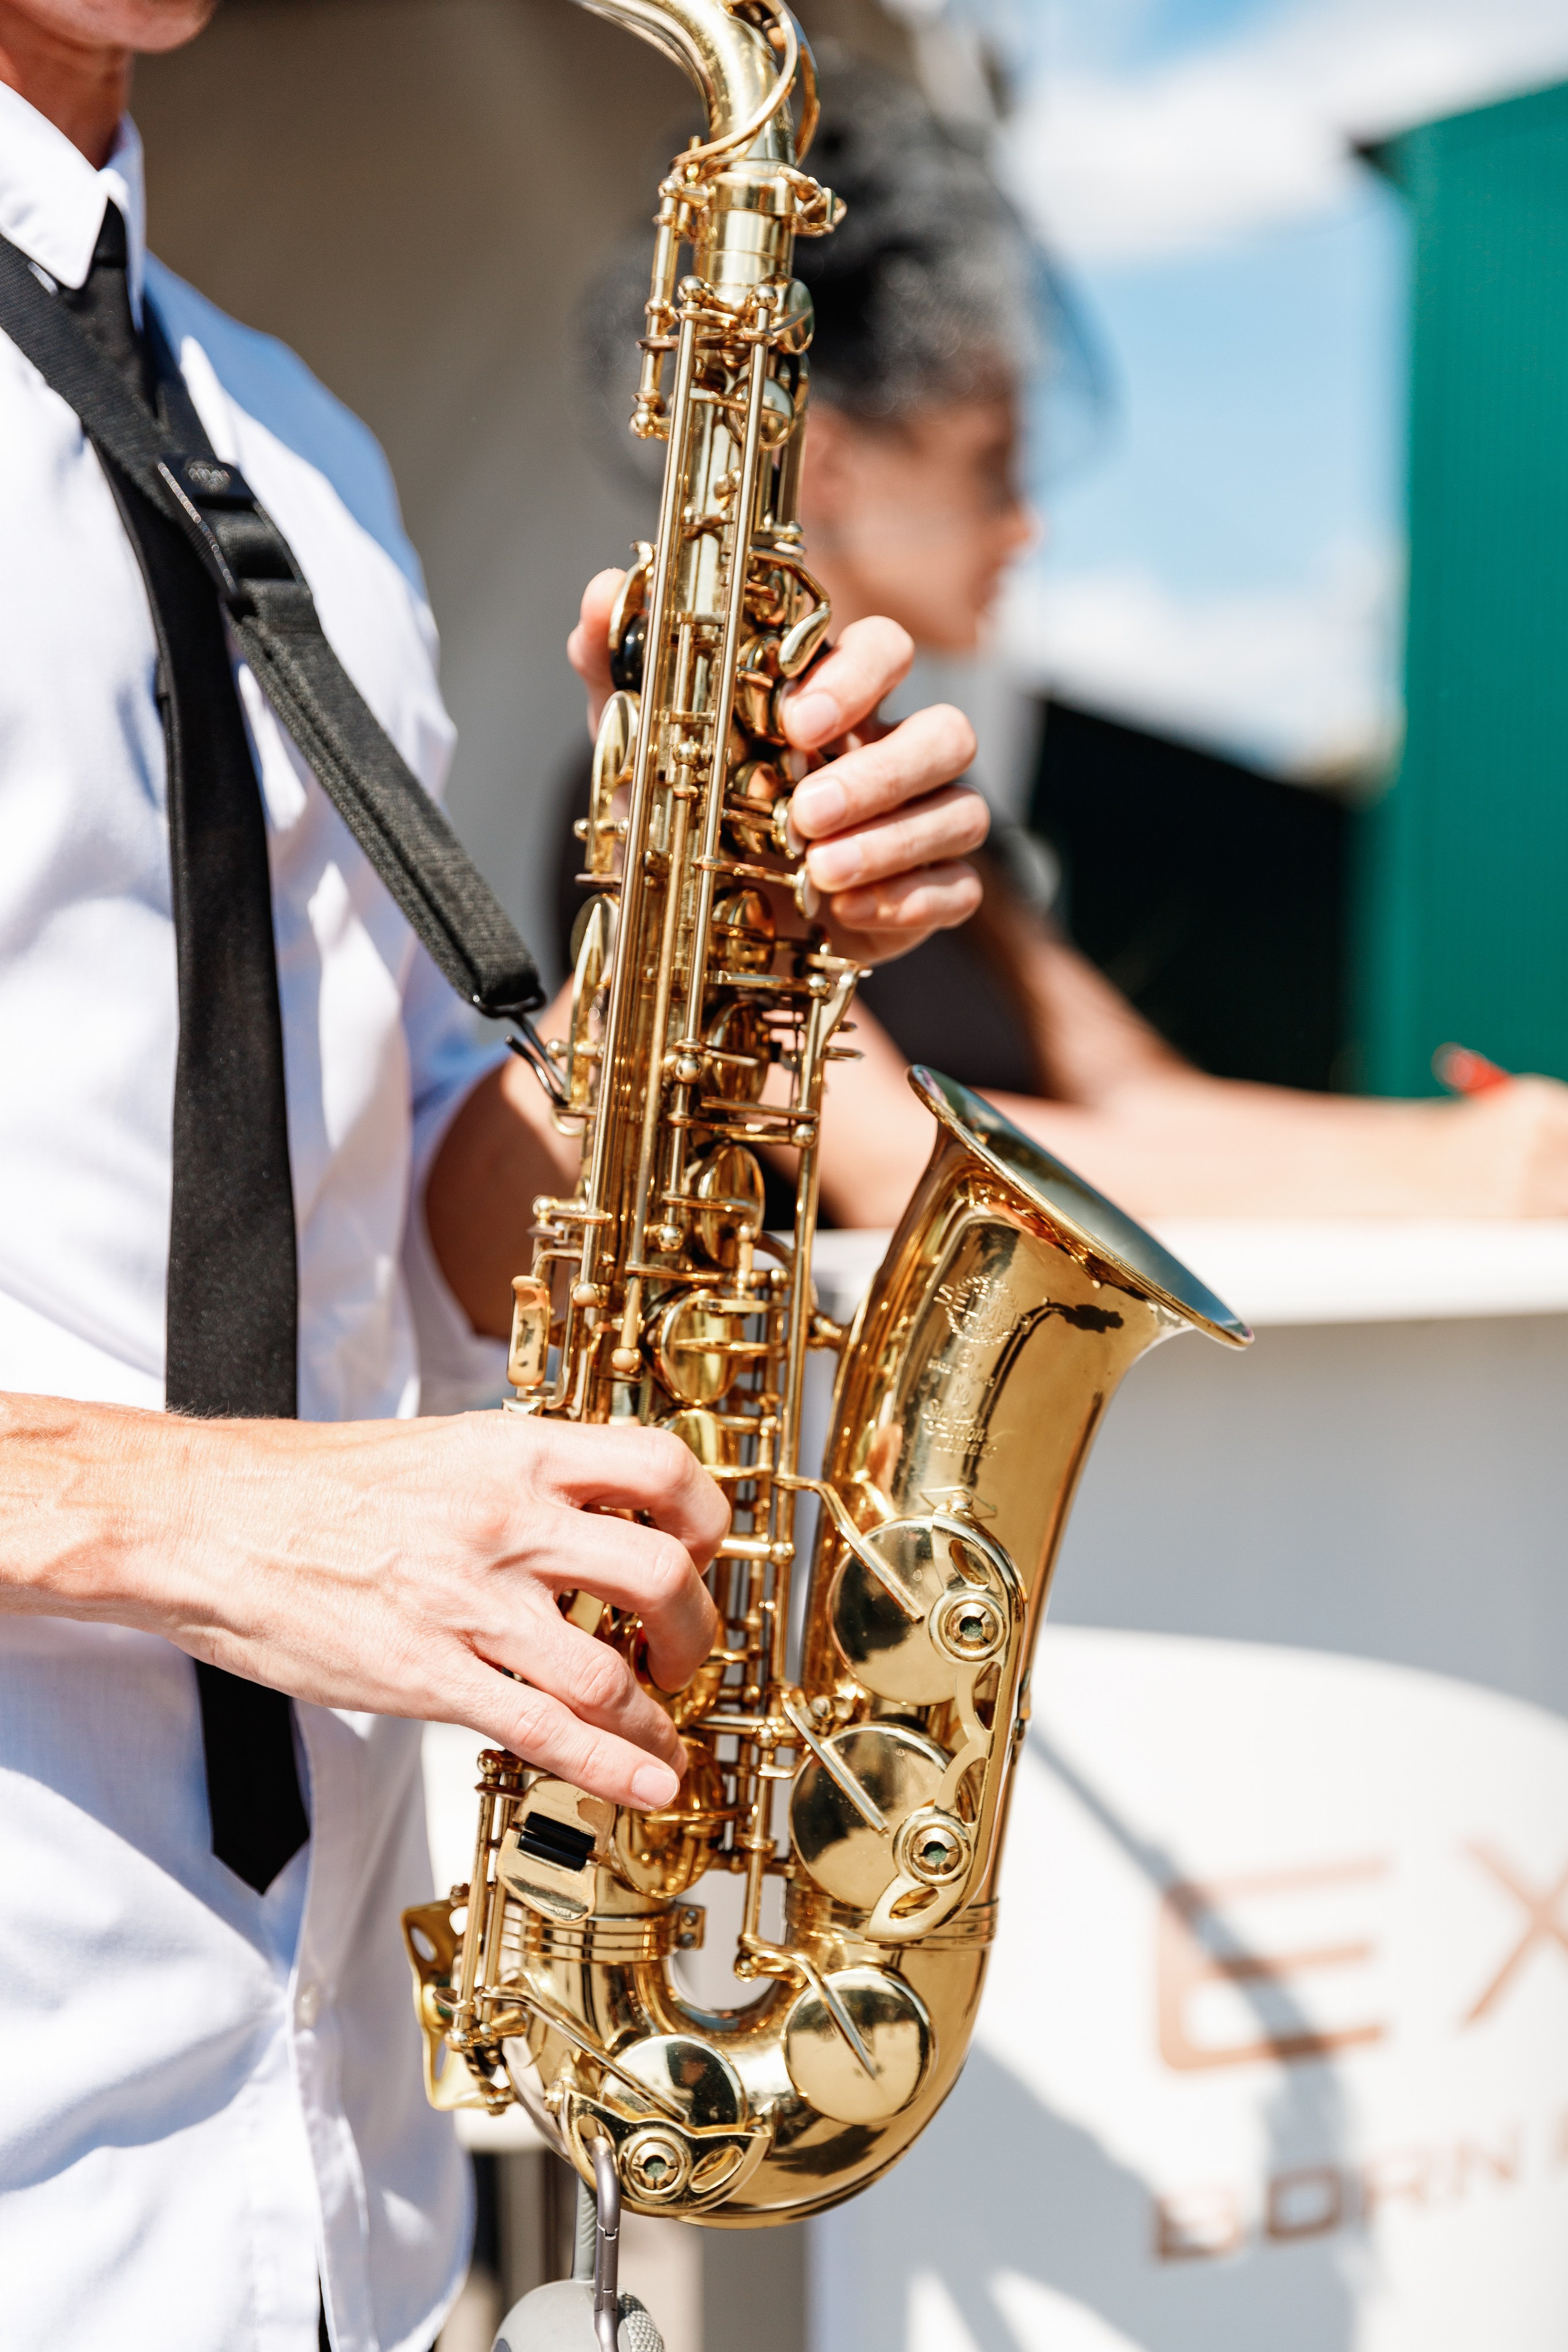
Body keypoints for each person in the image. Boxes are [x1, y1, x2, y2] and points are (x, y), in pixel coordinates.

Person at [0, 9, 990, 2347]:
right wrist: (193, 1519)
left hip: (323, 2141)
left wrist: (729, 943)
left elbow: (417, 1155)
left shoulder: (292, 443)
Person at [730, 56, 1568, 1226]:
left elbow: (1138, 1096)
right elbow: (878, 1159)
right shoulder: (697, 781)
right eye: (988, 467)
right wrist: (1436, 1175)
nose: (1024, 523)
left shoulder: (921, 785)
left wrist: (1485, 1143)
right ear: (826, 469)